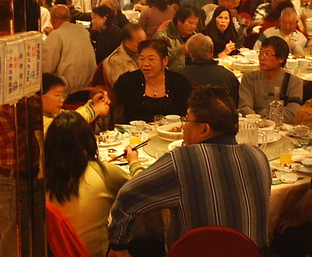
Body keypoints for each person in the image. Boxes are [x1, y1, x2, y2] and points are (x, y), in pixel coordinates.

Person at [108, 86, 271, 254]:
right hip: (251, 253)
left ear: (204, 129)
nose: (184, 127)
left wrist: (119, 246)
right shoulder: (258, 156)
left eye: (187, 120)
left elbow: (127, 197)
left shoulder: (182, 160)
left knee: (144, 244)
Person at [45, 112, 140, 257]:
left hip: (58, 253)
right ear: (88, 140)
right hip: (94, 254)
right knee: (146, 242)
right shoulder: (104, 173)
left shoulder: (42, 178)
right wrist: (134, 162)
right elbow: (143, 188)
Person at [113, 39, 192, 123]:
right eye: (142, 59)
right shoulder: (128, 81)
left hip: (171, 130)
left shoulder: (179, 82)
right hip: (134, 131)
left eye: (151, 59)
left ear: (165, 60)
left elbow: (190, 112)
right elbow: (113, 103)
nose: (145, 64)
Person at [239, 36, 303, 124]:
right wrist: (259, 121)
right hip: (255, 126)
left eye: (267, 54)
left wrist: (264, 117)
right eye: (260, 53)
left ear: (281, 58)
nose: (261, 58)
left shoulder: (293, 81)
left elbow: (293, 113)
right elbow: (244, 107)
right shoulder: (249, 78)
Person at [42, 5, 96, 98]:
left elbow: (46, 68)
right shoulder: (83, 31)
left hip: (69, 92)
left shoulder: (56, 35)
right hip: (89, 86)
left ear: (52, 20)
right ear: (69, 18)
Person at [179, 33, 240, 104]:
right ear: (212, 49)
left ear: (189, 52)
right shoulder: (228, 77)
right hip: (221, 111)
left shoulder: (180, 77)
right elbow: (237, 103)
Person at [41, 73, 110, 134]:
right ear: (40, 98)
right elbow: (68, 123)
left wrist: (94, 104)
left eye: (62, 95)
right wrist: (94, 110)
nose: (62, 100)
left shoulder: (53, 114)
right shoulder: (40, 122)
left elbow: (71, 115)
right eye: (57, 95)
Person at [153, 5, 200, 71]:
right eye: (190, 23)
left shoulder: (194, 36)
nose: (193, 27)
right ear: (179, 21)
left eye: (196, 24)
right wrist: (180, 49)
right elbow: (158, 59)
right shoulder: (163, 36)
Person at [102, 23, 147, 88]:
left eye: (145, 40)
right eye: (140, 42)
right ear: (127, 42)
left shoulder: (143, 53)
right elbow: (123, 88)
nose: (145, 45)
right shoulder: (116, 61)